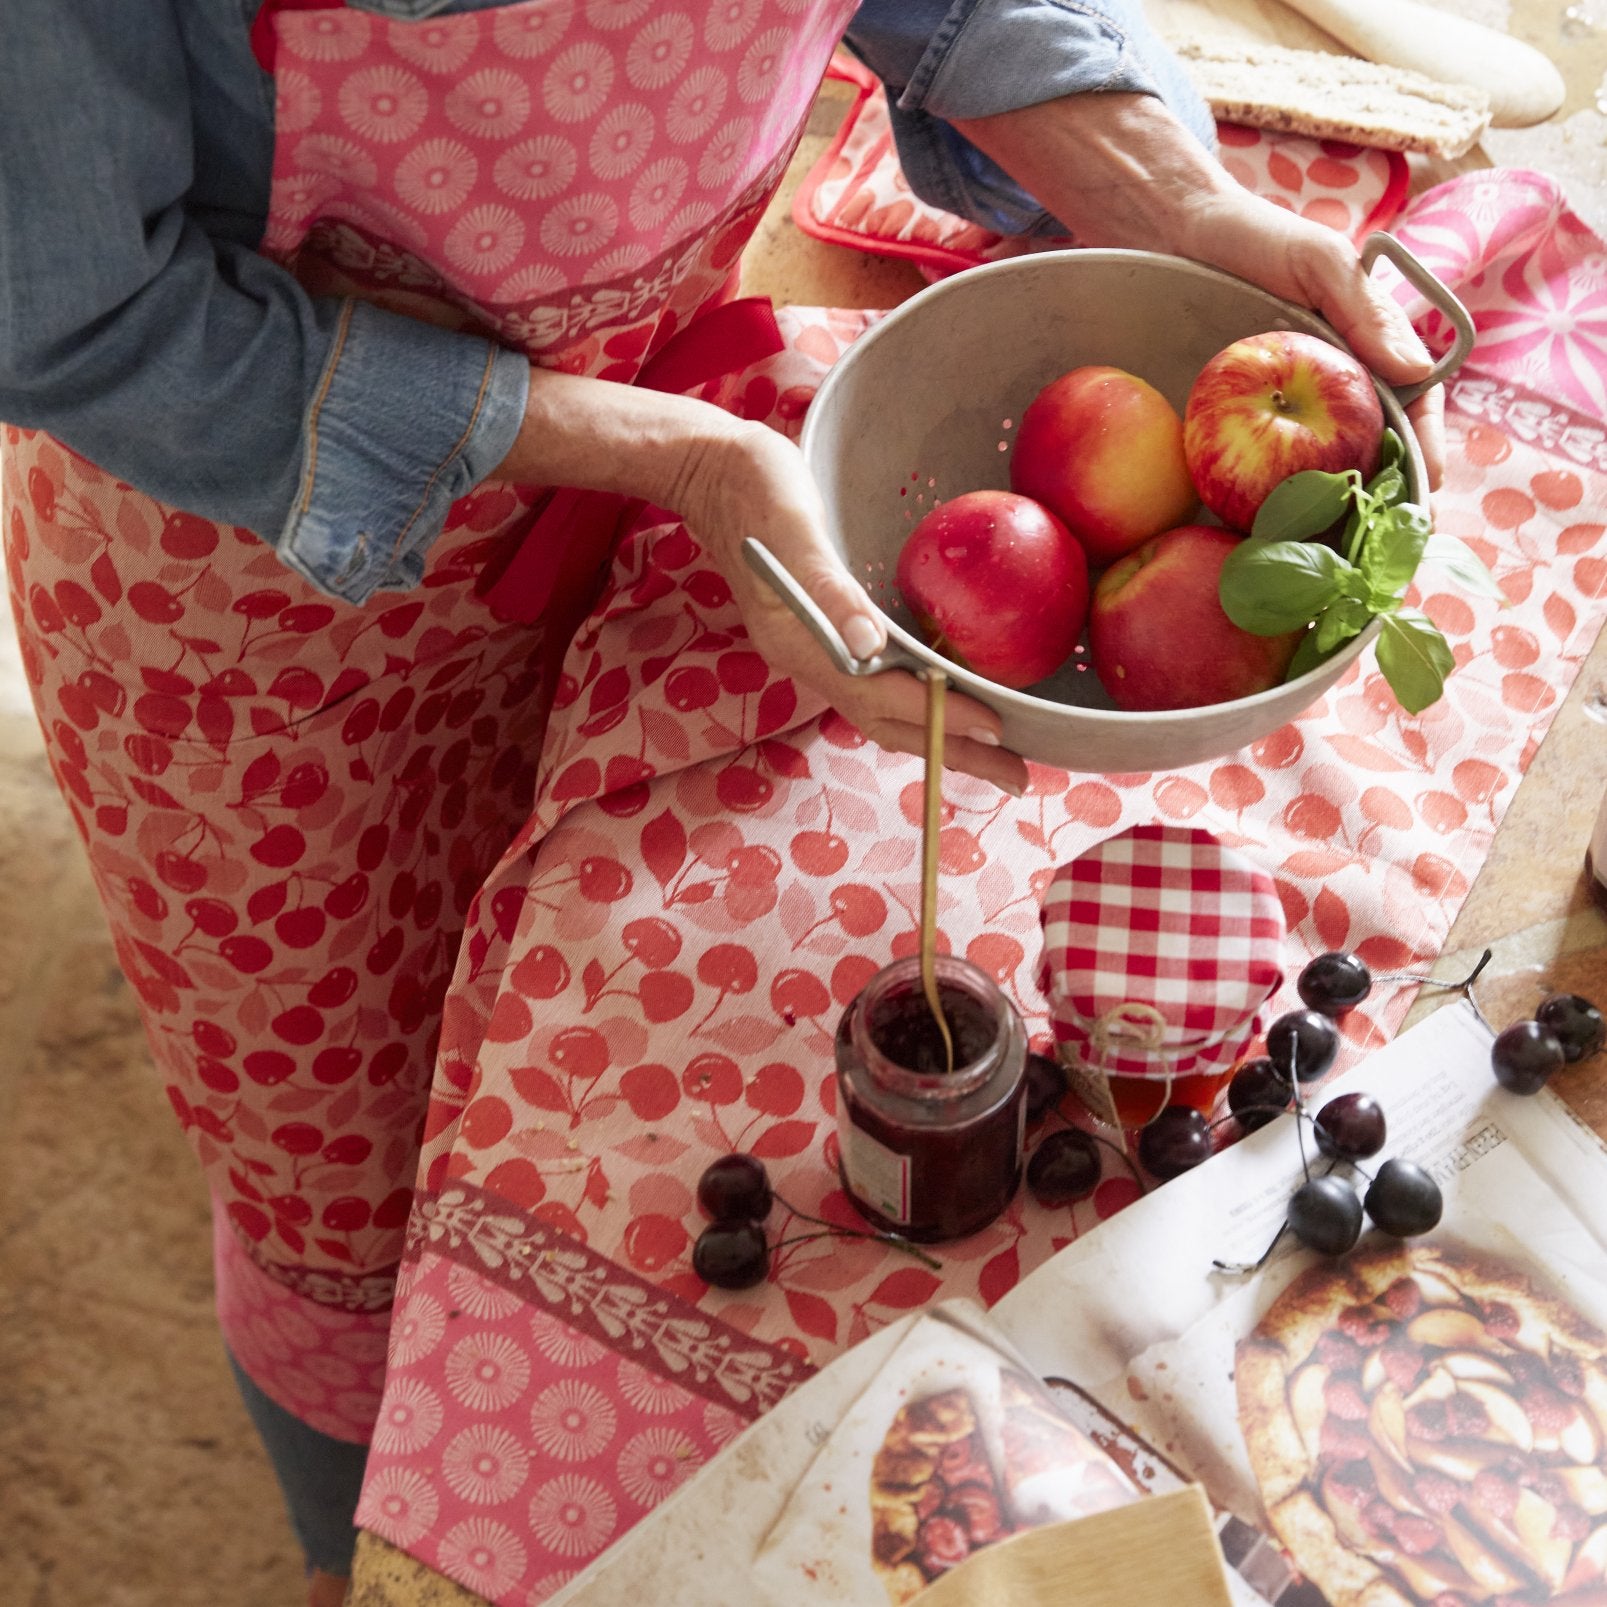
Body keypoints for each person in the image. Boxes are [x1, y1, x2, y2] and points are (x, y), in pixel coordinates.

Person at [0, 1, 1444, 1600]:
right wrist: (677, 461)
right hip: (257, 604)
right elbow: (81, 323)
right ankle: (372, 1544)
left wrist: (1188, 212)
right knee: (336, 1171)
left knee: (599, 1097)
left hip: (653, 453)